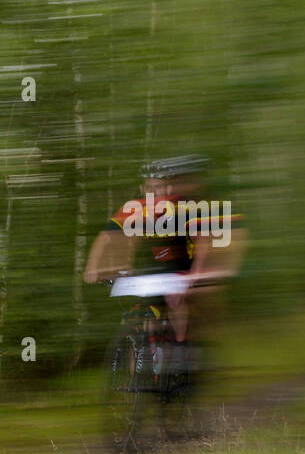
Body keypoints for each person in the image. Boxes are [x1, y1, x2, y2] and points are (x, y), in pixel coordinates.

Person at [83, 154, 245, 367]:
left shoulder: (184, 206)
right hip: (160, 264)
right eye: (152, 188)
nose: (159, 193)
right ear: (143, 189)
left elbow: (205, 242)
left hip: (186, 261)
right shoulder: (137, 208)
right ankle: (140, 374)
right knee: (147, 311)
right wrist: (93, 268)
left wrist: (198, 273)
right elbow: (107, 237)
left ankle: (180, 348)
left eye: (162, 187)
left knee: (177, 300)